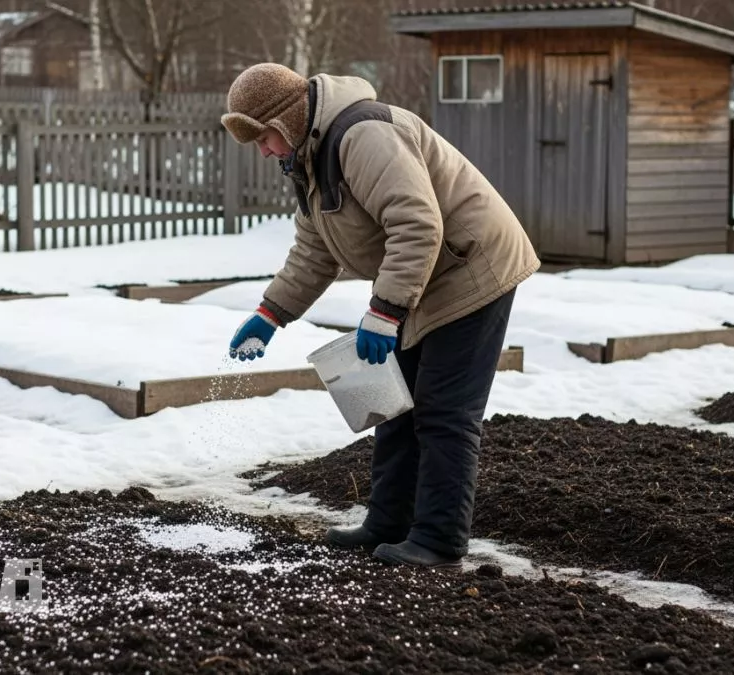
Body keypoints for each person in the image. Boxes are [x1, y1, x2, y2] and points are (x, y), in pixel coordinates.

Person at [221, 63, 540, 570]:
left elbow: (416, 224)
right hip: (425, 276)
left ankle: (437, 540)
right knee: (393, 406)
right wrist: (270, 313)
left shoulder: (363, 135)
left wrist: (385, 312)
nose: (263, 151)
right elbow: (314, 251)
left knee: (442, 412)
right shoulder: (309, 159)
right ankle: (387, 524)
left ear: (288, 119)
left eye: (264, 138)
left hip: (470, 266)